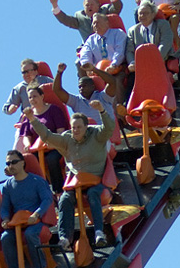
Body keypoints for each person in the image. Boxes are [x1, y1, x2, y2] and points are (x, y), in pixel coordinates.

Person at [24, 103, 114, 249]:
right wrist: (32, 119)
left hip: (97, 181)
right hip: (76, 182)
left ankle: (99, 232)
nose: (75, 130)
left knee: (92, 194)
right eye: (73, 127)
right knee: (65, 199)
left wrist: (102, 111)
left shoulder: (96, 134)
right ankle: (65, 238)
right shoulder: (67, 139)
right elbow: (47, 136)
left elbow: (109, 128)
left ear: (86, 127)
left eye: (79, 127)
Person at [0, 150, 54, 268]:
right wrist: (5, 219)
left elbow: (47, 199)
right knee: (5, 237)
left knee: (30, 234)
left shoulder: (37, 181)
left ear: (22, 163)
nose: (11, 166)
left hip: (35, 222)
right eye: (8, 163)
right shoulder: (8, 186)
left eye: (14, 162)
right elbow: (5, 207)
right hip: (17, 223)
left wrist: (37, 214)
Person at [18, 86, 70, 193]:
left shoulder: (54, 110)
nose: (33, 99)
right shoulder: (28, 116)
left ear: (42, 96)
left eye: (35, 96)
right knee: (29, 162)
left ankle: (58, 191)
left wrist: (53, 143)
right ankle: (38, 191)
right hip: (37, 149)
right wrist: (27, 145)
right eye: (30, 97)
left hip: (55, 146)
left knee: (52, 159)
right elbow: (26, 135)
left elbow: (61, 131)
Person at [48, 0, 123, 43]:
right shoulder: (80, 17)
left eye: (92, 4)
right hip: (90, 50)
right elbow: (65, 19)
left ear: (98, 5)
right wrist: (55, 5)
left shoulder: (105, 11)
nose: (90, 7)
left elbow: (117, 7)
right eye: (87, 5)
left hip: (109, 44)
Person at [127, 0, 174, 69]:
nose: (142, 15)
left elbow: (165, 43)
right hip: (140, 67)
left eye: (146, 13)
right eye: (140, 13)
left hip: (161, 62)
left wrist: (153, 60)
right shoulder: (132, 31)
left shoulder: (162, 24)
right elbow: (129, 51)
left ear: (153, 14)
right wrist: (133, 63)